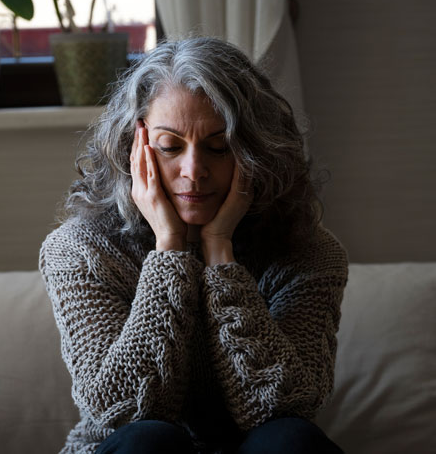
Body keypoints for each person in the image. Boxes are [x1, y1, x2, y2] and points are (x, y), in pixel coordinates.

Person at [39, 37, 348, 454]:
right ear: (134, 149)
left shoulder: (308, 254)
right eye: (170, 147)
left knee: (289, 439)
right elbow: (122, 411)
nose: (194, 170)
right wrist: (169, 250)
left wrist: (220, 252)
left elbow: (284, 404)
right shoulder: (79, 251)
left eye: (219, 148)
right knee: (148, 440)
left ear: (255, 151)